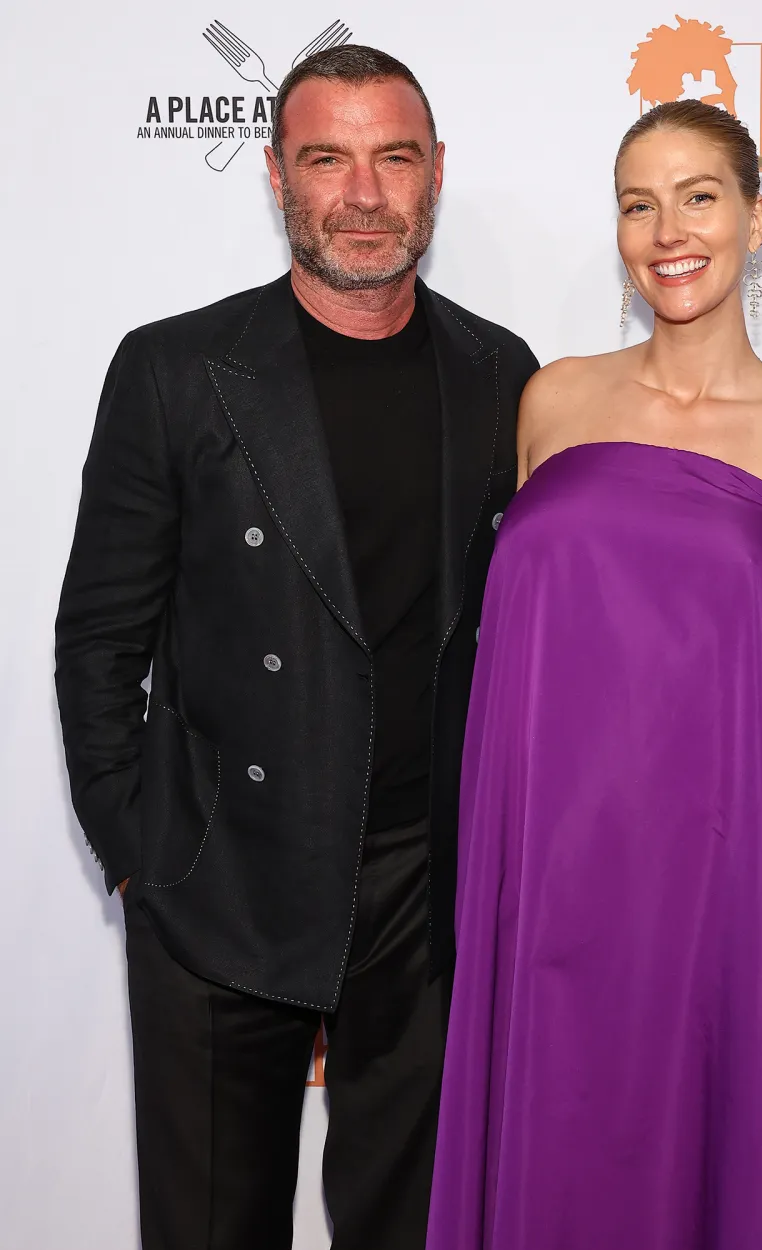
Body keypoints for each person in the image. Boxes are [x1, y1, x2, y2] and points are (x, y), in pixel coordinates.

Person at [54, 45, 537, 1250]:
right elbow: (100, 635)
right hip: (222, 875)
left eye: (393, 158)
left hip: (424, 896)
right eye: (328, 158)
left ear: (435, 175)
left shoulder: (503, 373)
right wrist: (140, 855)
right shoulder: (174, 369)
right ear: (276, 175)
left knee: (407, 1227)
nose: (362, 193)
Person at [425, 100, 762, 1249]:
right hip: (546, 881)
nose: (666, 229)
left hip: (724, 889)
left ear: (755, 220)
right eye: (638, 204)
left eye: (698, 196)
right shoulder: (553, 400)